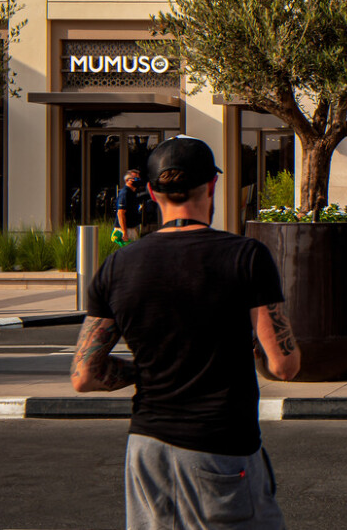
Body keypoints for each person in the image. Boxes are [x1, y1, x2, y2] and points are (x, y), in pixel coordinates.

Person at [72, 136, 301, 530]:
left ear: (150, 191)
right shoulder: (245, 256)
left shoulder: (117, 267)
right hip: (220, 447)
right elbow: (284, 365)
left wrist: (143, 371)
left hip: (147, 449)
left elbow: (85, 375)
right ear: (212, 185)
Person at [115, 170, 149, 242]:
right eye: (136, 179)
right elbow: (121, 213)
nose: (138, 181)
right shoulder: (125, 193)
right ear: (127, 180)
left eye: (139, 179)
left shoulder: (133, 193)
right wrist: (124, 232)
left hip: (132, 228)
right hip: (125, 229)